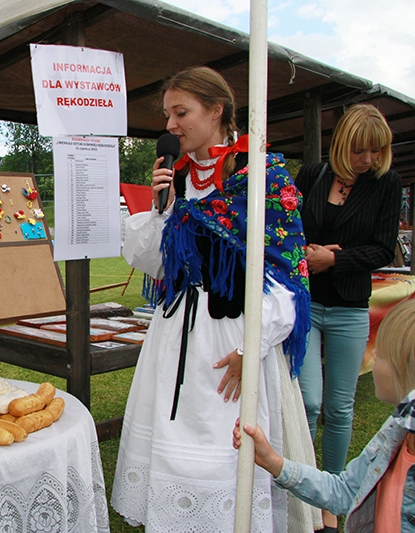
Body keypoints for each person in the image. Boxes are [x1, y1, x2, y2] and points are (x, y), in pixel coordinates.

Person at [112, 66, 314, 532]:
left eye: (181, 113)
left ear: (217, 110)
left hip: (236, 335)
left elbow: (288, 278)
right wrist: (161, 209)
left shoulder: (262, 177)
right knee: (171, 439)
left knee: (228, 446)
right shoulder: (178, 179)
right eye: (168, 115)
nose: (170, 125)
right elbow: (153, 263)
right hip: (174, 334)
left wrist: (250, 348)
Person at [295, 104, 402, 531]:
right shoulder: (312, 175)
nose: (369, 160)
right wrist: (308, 253)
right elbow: (286, 228)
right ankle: (300, 489)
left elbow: (383, 248)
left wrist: (335, 259)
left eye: (377, 151)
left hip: (350, 307)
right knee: (308, 402)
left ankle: (330, 496)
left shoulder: (386, 183)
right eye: (361, 150)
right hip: (305, 304)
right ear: (342, 144)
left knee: (339, 408)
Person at [235, 298, 415, 533]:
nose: (374, 353)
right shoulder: (395, 431)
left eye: (383, 354)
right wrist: (274, 462)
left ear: (405, 369)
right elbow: (344, 492)